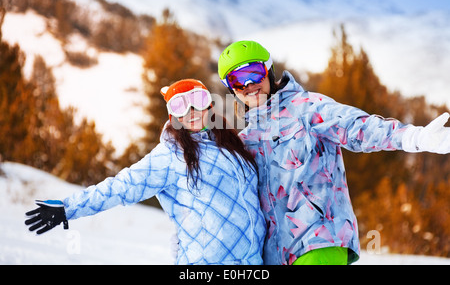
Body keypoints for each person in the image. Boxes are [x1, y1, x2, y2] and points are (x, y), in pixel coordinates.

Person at [217, 40, 450, 265]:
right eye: (237, 80)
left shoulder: (307, 107)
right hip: (276, 256)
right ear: (231, 89)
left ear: (268, 71)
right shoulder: (246, 140)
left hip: (319, 242)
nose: (248, 85)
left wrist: (413, 138)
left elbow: (356, 127)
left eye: (254, 73)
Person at [25, 79, 266, 265]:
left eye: (197, 100)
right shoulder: (170, 155)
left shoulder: (231, 144)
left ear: (210, 105)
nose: (191, 110)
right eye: (180, 105)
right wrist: (69, 208)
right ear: (172, 116)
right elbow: (121, 187)